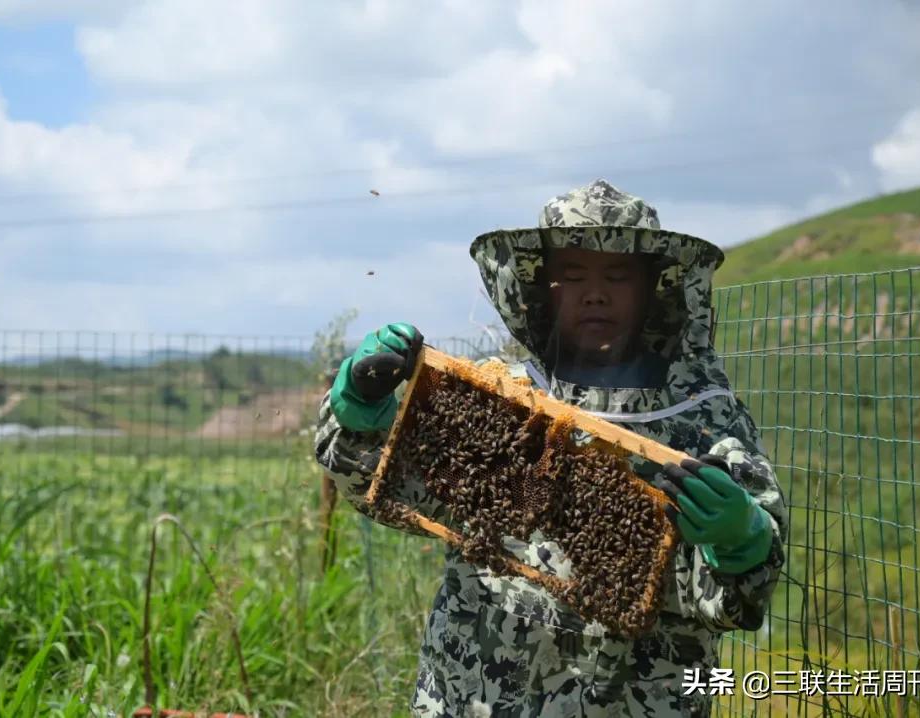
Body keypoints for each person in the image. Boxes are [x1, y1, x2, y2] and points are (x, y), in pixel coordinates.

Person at [314, 179, 788, 717]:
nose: (595, 293)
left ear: (654, 288)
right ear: (542, 288)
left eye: (617, 276)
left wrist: (741, 544)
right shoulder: (500, 396)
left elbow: (736, 604)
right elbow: (398, 493)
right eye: (574, 274)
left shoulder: (704, 420)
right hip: (473, 696)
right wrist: (358, 413)